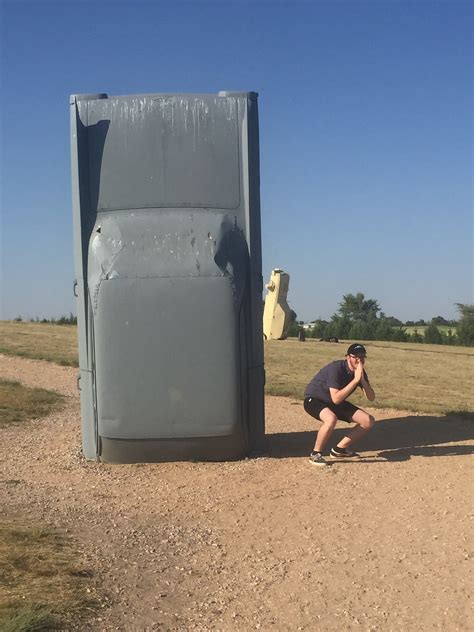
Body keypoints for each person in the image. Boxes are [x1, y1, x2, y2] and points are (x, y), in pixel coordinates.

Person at [303, 343, 376, 466]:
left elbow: (371, 397)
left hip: (334, 401)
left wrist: (362, 380)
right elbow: (336, 398)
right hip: (315, 399)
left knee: (368, 421)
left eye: (362, 357)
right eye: (355, 357)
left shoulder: (360, 373)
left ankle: (339, 450)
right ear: (348, 357)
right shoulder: (336, 368)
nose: (359, 360)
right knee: (331, 419)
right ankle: (315, 454)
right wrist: (355, 381)